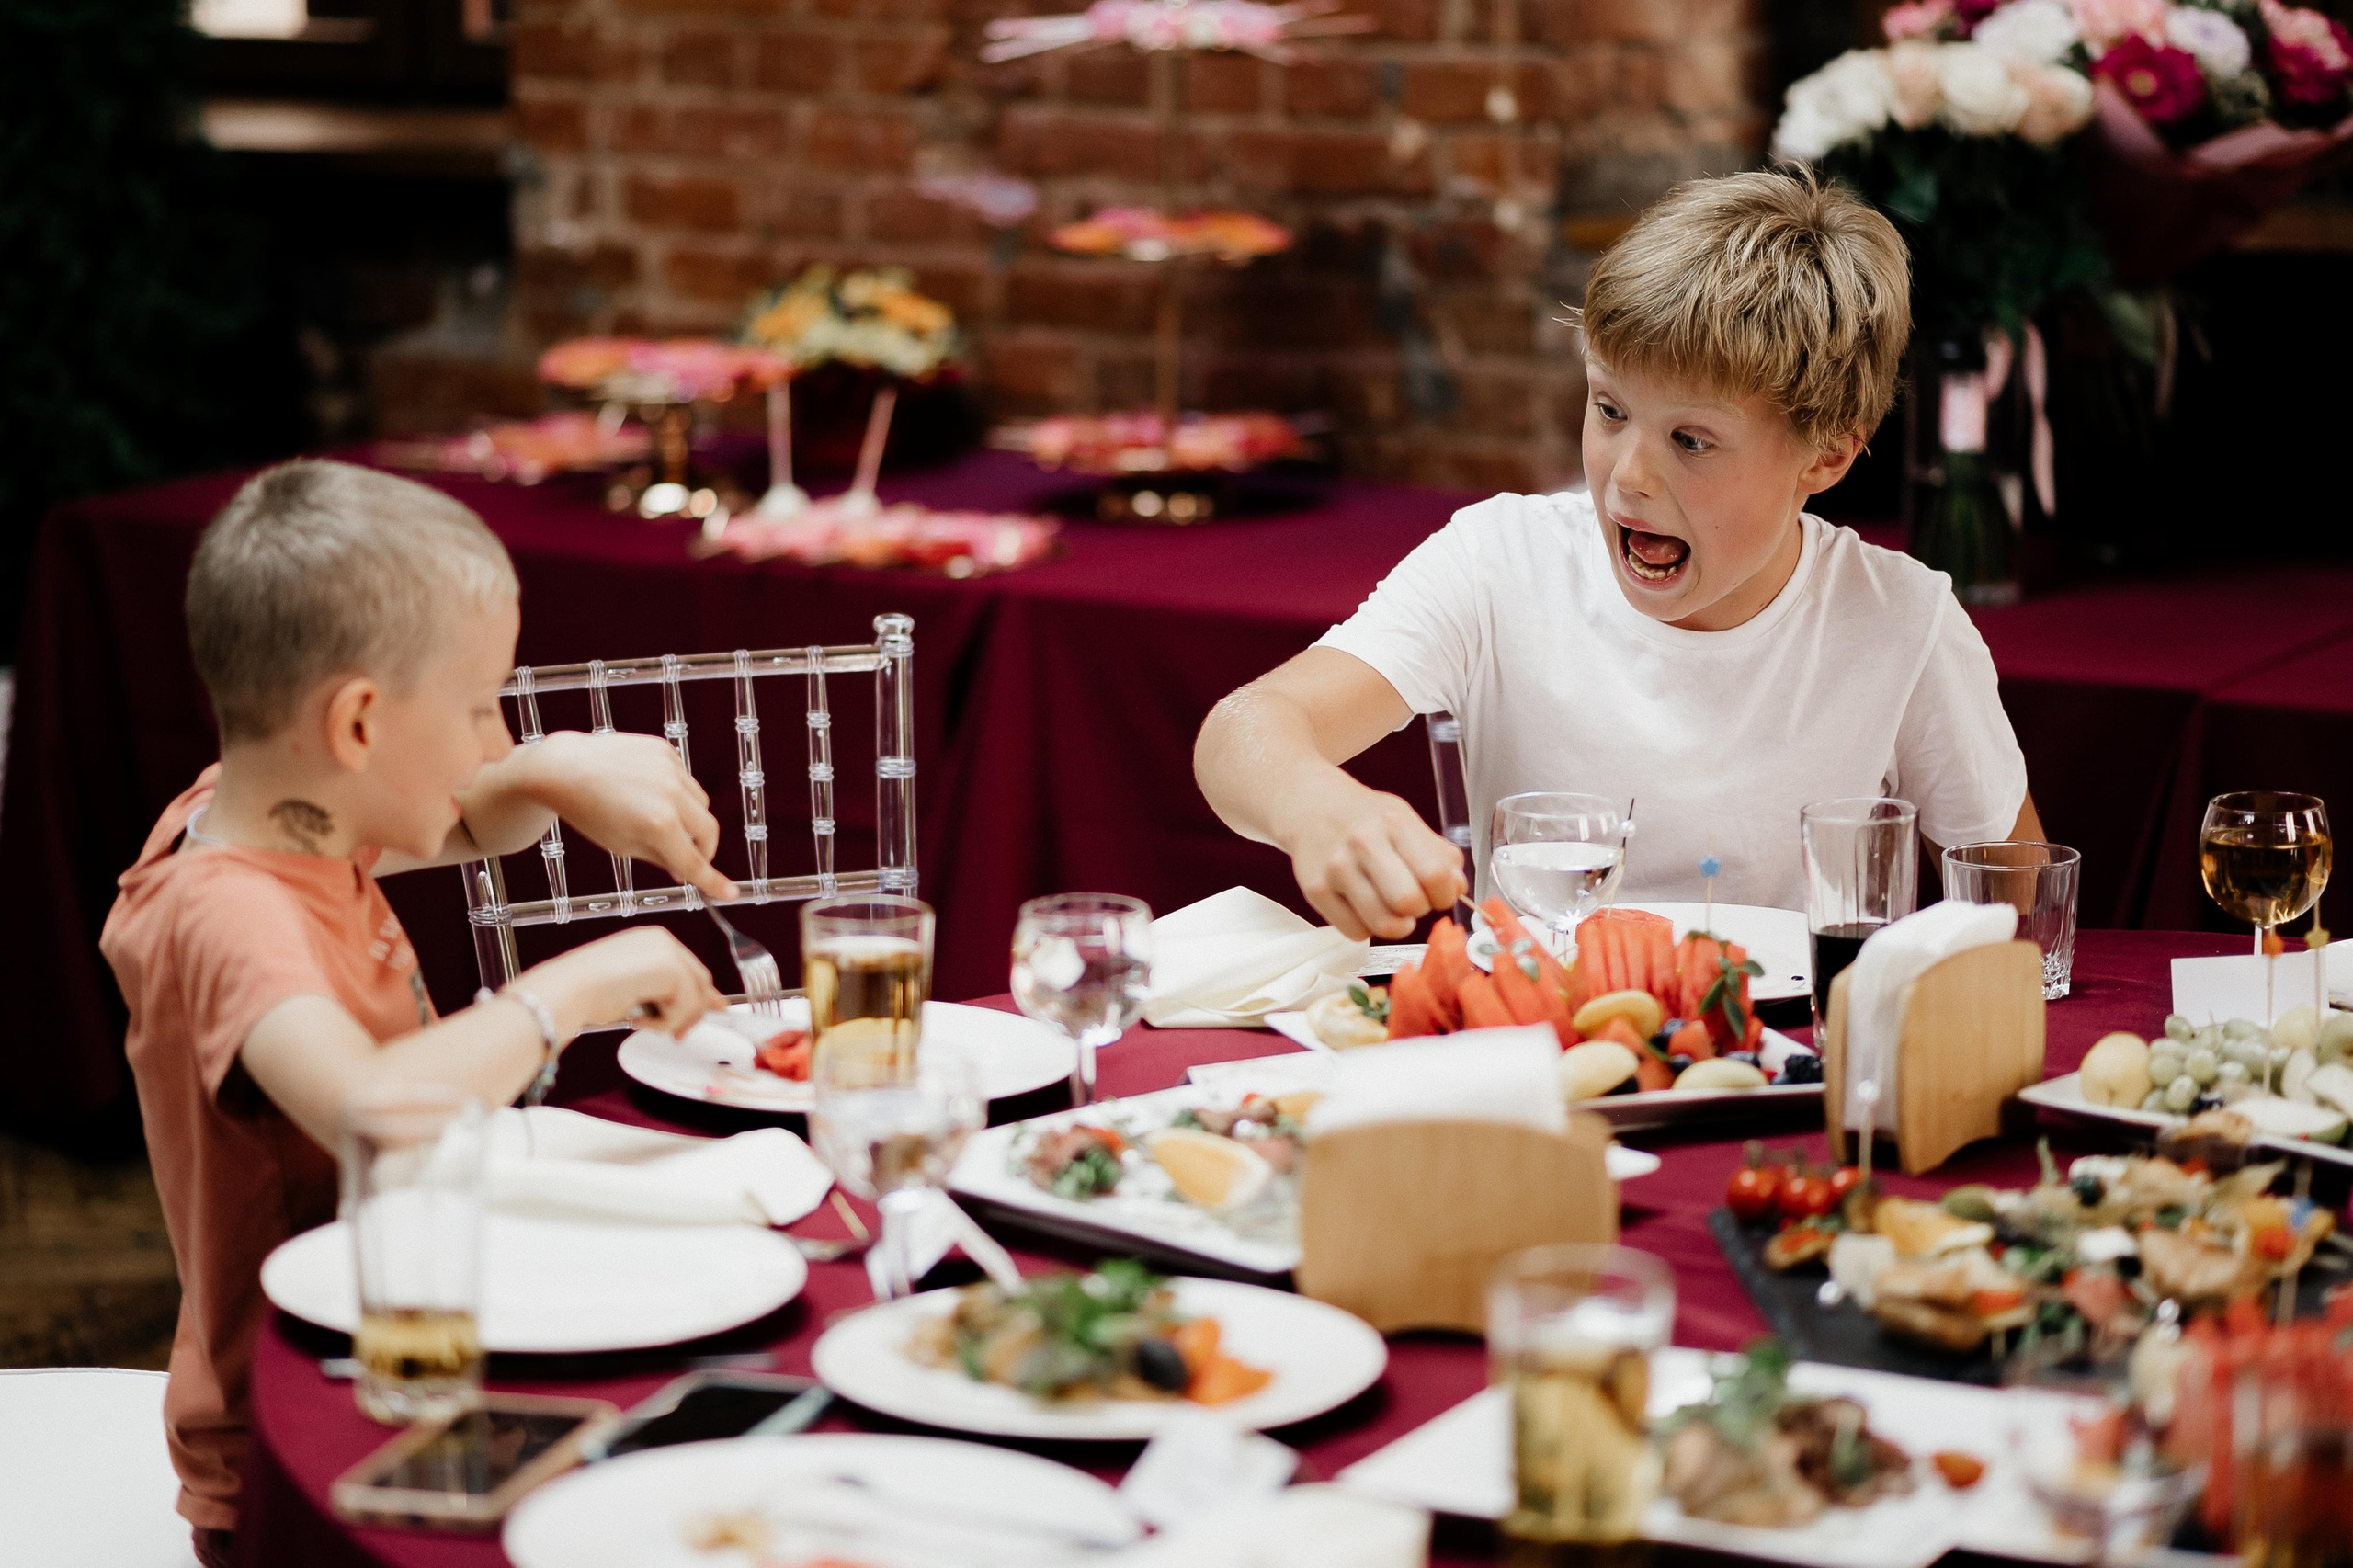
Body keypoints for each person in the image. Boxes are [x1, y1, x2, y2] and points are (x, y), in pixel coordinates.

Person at [100, 460, 734, 1565]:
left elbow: (455, 818)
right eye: (482, 703)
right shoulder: (227, 916)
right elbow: (373, 1107)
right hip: (310, 1458)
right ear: (356, 722)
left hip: (409, 1358)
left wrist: (556, 767)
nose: (493, 738)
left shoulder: (255, 808)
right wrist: (577, 982)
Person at [1195, 169, 2040, 941]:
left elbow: (2015, 897)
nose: (1627, 477)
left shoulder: (1900, 618)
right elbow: (1242, 733)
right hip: (1542, 1052)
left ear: (1826, 456)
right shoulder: (1502, 561)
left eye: (1691, 440)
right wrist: (1314, 806)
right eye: (1609, 410)